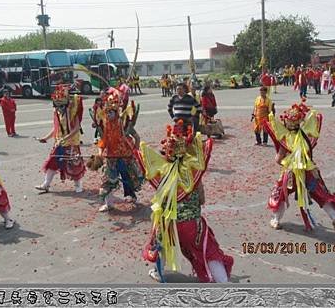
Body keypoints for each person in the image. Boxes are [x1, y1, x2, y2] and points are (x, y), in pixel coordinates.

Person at [136, 121, 233, 283]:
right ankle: (223, 281)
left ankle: (157, 272)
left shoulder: (162, 172)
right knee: (209, 250)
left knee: (162, 244)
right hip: (192, 225)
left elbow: (159, 199)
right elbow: (202, 200)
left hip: (169, 224)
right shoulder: (193, 174)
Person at [263, 101, 335, 234]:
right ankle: (334, 217)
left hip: (291, 174)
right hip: (309, 172)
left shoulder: (286, 139)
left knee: (281, 194)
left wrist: (283, 160)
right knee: (320, 193)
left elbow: (278, 159)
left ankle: (276, 220)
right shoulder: (307, 136)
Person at [86, 88, 143, 211]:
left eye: (111, 112)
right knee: (107, 179)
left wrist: (135, 150)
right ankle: (108, 203)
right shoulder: (106, 125)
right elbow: (104, 141)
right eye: (107, 112)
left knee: (127, 177)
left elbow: (137, 137)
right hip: (111, 156)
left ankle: (131, 196)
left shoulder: (123, 124)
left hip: (124, 156)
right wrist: (100, 154)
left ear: (116, 112)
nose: (108, 115)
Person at [35, 85, 85, 194]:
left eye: (61, 106)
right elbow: (56, 129)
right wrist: (45, 138)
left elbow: (77, 128)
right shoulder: (58, 114)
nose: (59, 109)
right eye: (57, 106)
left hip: (71, 143)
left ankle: (78, 185)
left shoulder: (72, 113)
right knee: (52, 162)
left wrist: (66, 138)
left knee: (74, 164)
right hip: (59, 143)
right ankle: (46, 184)